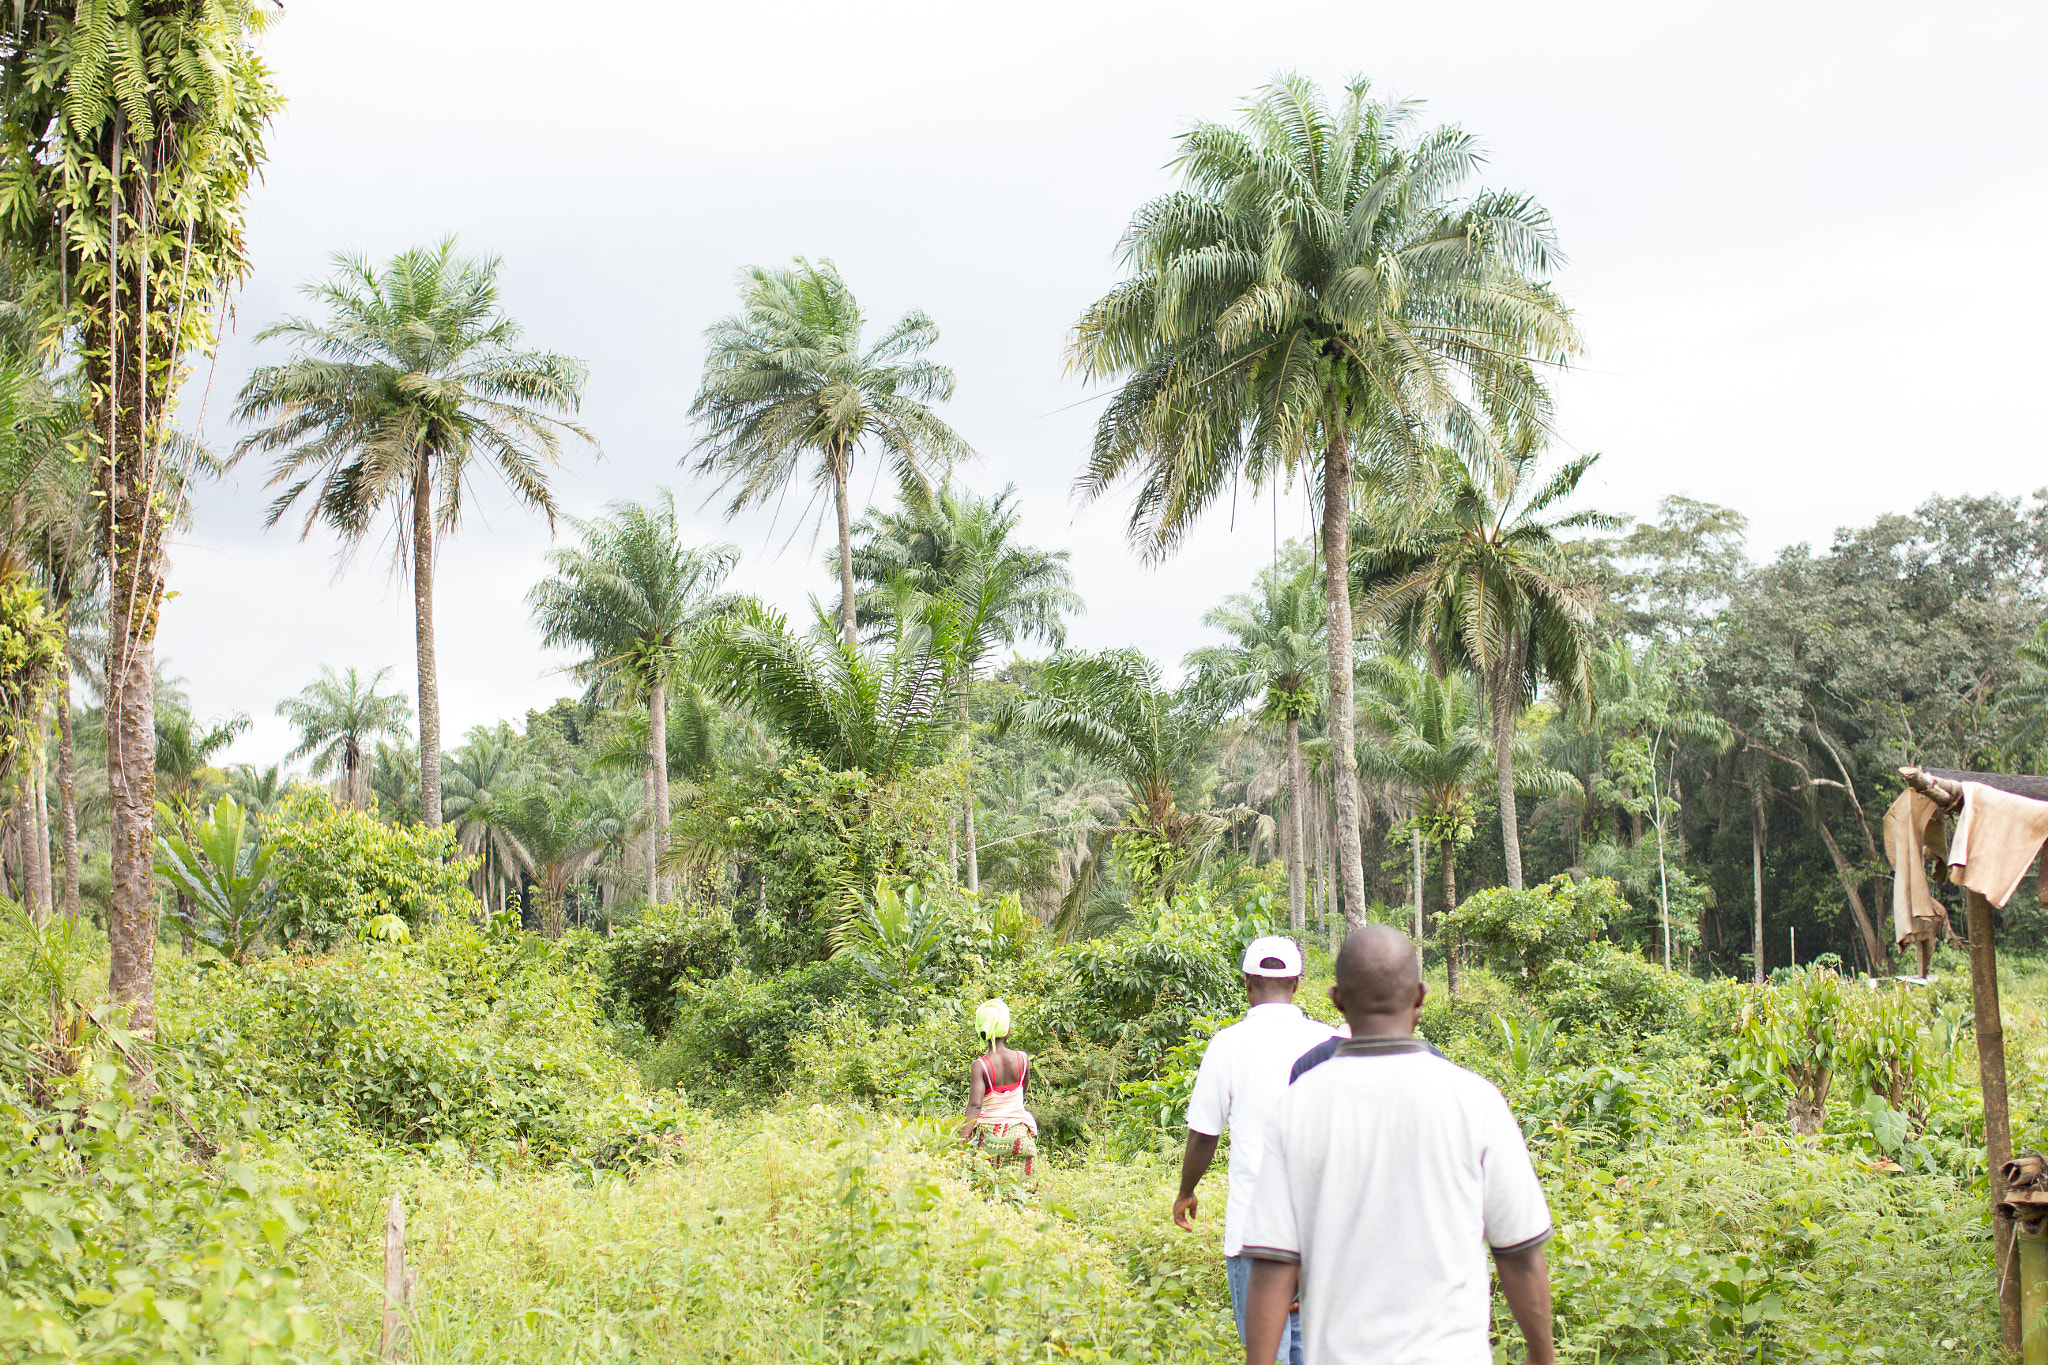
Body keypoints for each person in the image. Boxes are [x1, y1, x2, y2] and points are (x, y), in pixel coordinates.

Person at [1240, 925, 1555, 1365]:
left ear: (1337, 1000)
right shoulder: (1474, 1099)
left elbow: (1274, 1264)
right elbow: (1519, 1254)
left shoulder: (1296, 1108)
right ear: (1421, 997)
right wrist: (1542, 1356)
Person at [1173, 935, 1335, 1365]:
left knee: (1269, 1352)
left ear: (1247, 982)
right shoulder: (1331, 1040)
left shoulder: (1228, 1044)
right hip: (1322, 1229)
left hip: (1254, 1230)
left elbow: (1204, 1133)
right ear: (1297, 983)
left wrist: (1186, 1191)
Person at [961, 998, 1038, 1180]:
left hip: (989, 1141)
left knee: (986, 1189)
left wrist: (959, 1142)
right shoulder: (1022, 1059)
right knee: (1021, 1192)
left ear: (982, 1032)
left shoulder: (980, 1066)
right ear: (1007, 1029)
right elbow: (1022, 1094)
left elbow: (974, 1107)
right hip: (1020, 1137)